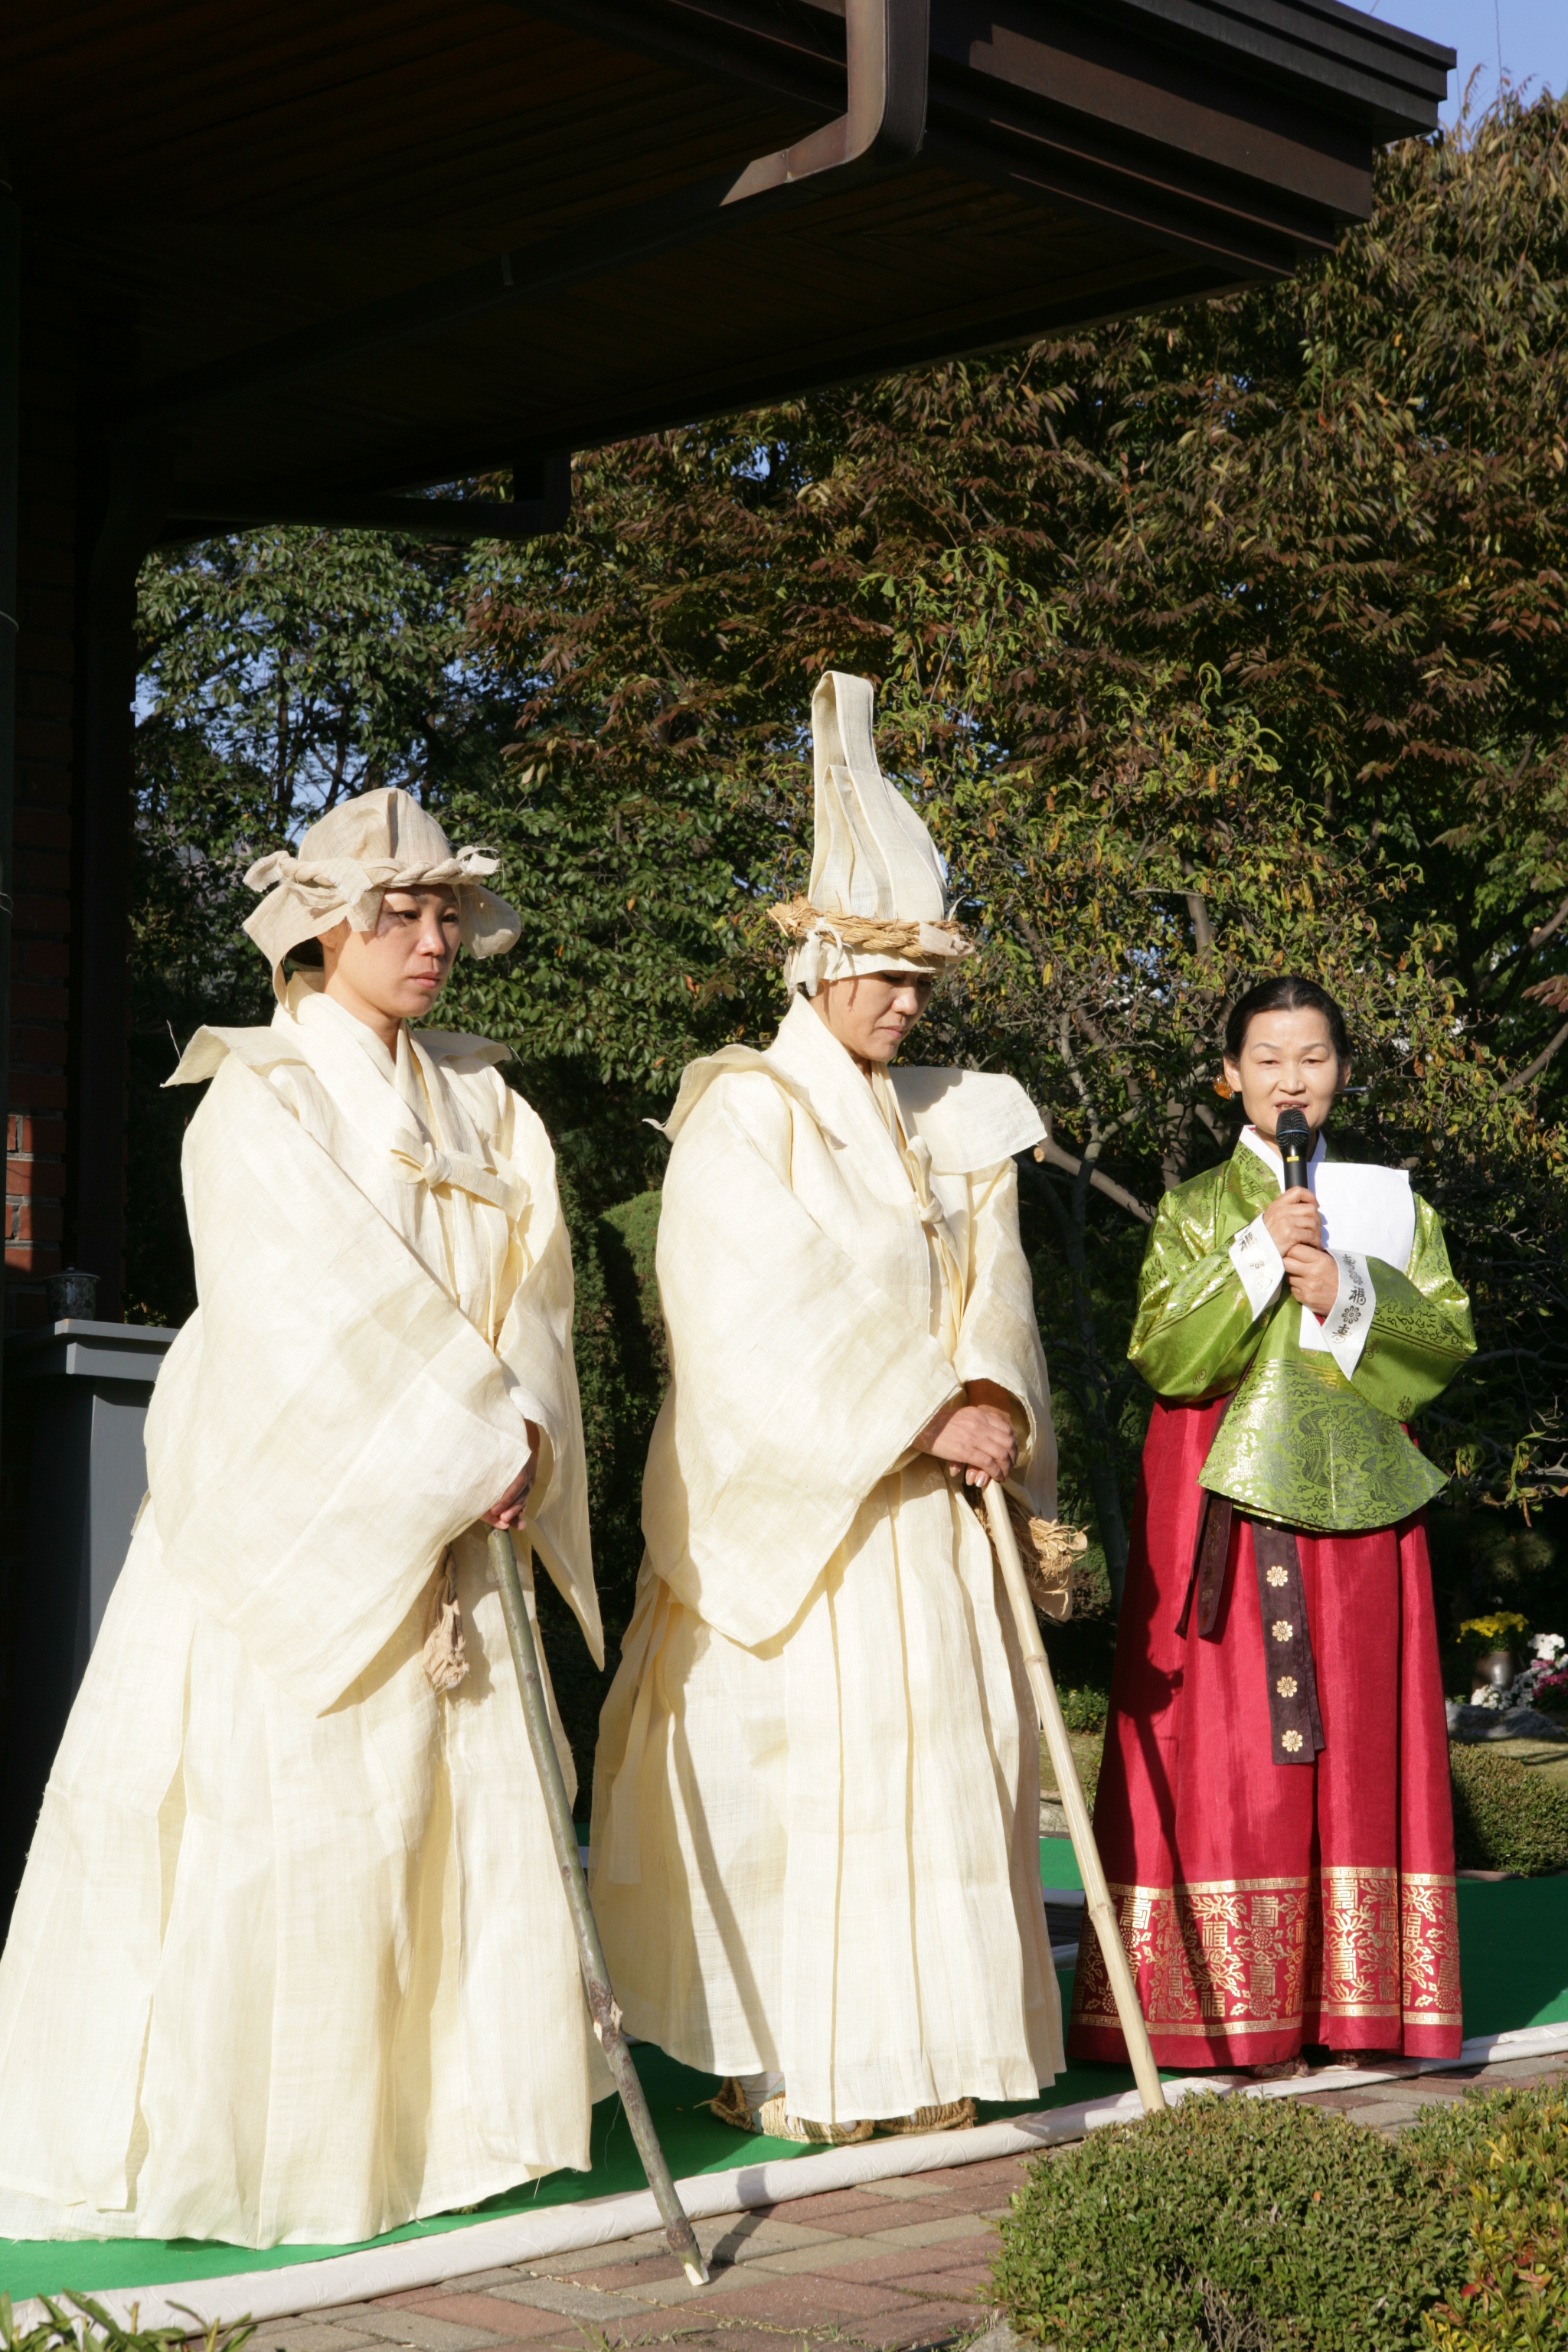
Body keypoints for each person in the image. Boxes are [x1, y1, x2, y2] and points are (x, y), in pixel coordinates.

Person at [0, 788, 604, 2248]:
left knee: (451, 1821)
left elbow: (539, 1289)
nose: (432, 940)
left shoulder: (488, 1103)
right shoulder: (258, 1095)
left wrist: (522, 1431)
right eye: (399, 914)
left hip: (468, 1499)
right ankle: (265, 2148)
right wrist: (466, 1444)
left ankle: (450, 2132)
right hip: (296, 1511)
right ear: (322, 931)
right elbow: (303, 1307)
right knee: (286, 1822)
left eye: (446, 912)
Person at [590, 671, 1063, 2143]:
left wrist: (988, 1396)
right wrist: (920, 1413)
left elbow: (995, 1288)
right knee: (794, 1780)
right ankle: (787, 2058)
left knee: (935, 1776)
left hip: (930, 1521)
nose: (908, 1002)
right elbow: (746, 1307)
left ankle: (928, 2052)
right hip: (807, 1514)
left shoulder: (953, 1123)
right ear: (818, 968)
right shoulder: (745, 1110)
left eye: (923, 979)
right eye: (884, 975)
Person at [1069, 974, 1475, 2076]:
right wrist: (1258, 1250)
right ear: (1230, 1077)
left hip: (1362, 1523)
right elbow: (1165, 1356)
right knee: (1234, 1750)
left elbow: (1444, 1345)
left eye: (1312, 1059)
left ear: (1340, 1070)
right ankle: (1229, 2016)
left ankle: (1361, 2008)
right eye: (1268, 1060)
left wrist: (1347, 1290)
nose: (1291, 1082)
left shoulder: (1392, 1208)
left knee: (1361, 1737)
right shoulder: (1198, 1208)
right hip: (1228, 1517)